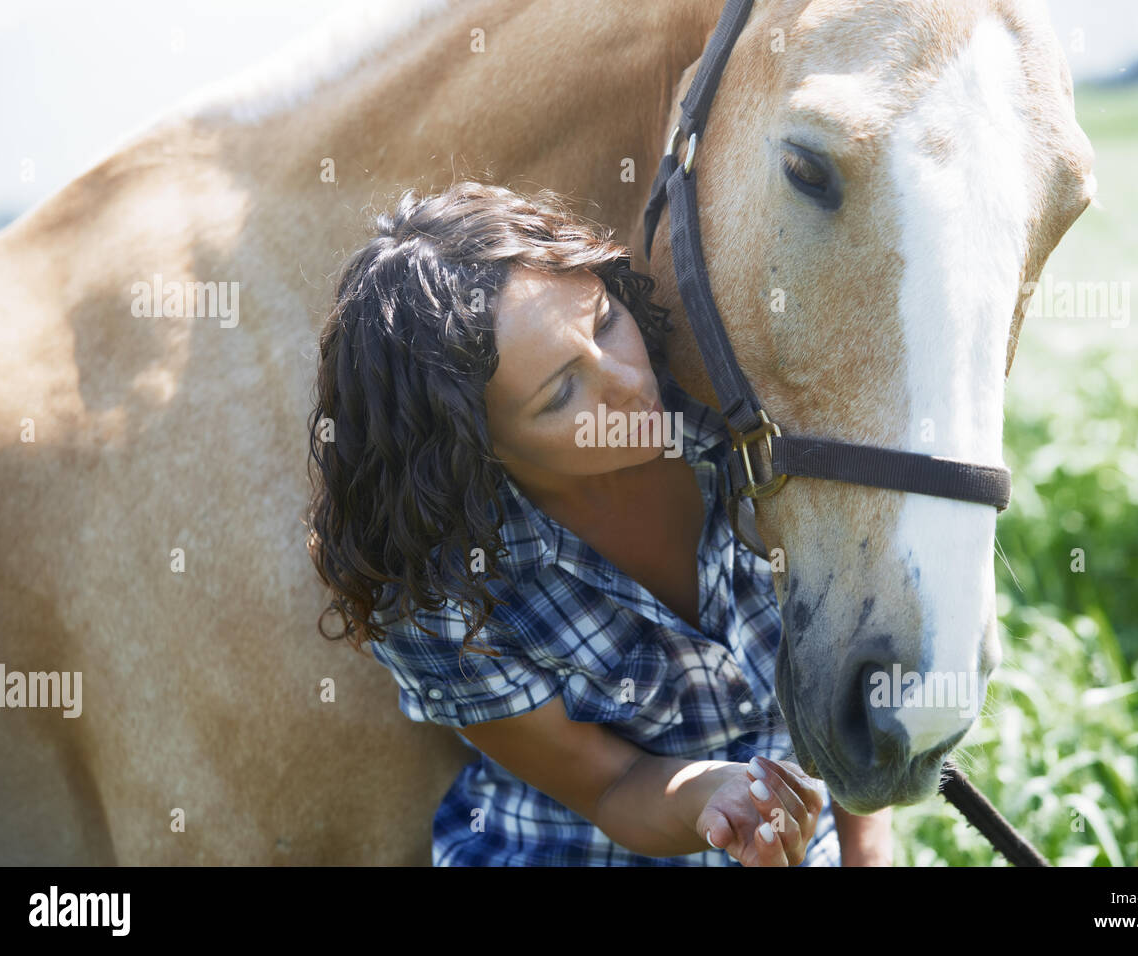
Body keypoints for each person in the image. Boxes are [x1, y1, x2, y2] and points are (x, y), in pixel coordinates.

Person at [304, 179, 893, 866]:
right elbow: (609, 785)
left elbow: (860, 688)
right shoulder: (441, 595)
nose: (627, 384)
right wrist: (710, 796)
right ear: (478, 446)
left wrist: (866, 858)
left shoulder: (752, 428)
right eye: (562, 393)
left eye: (606, 320)